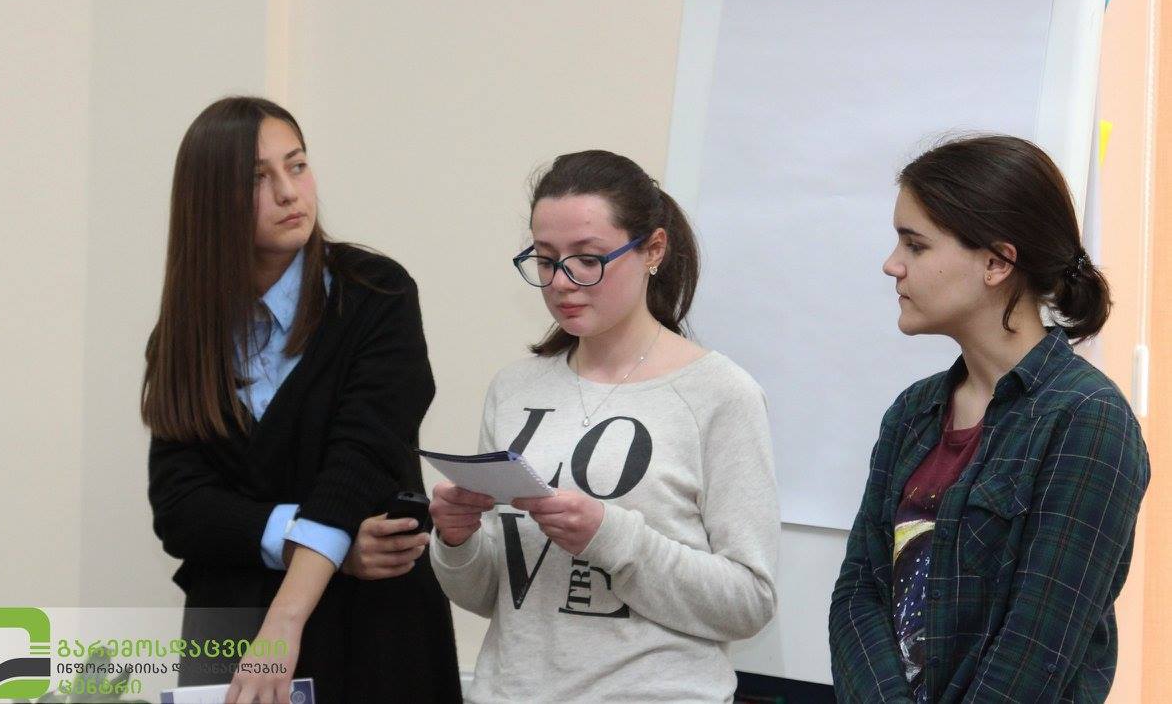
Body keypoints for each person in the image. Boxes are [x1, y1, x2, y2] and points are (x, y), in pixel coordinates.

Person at [428, 150, 779, 702]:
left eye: (587, 259)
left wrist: (611, 538)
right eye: (546, 260)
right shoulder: (514, 389)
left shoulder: (720, 394)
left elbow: (748, 602)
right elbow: (491, 594)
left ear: (653, 250)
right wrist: (457, 539)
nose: (561, 282)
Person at [143, 96, 461, 703]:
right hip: (230, 630)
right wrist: (321, 545)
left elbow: (359, 461)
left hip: (372, 632)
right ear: (209, 201)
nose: (289, 193)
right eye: (257, 178)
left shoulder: (376, 294)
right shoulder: (183, 336)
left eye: (297, 165)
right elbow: (181, 508)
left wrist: (285, 619)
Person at [829, 135, 1149, 703]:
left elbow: (1037, 649)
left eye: (915, 245)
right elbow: (858, 594)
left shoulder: (1087, 419)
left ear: (997, 263)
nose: (892, 264)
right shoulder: (912, 413)